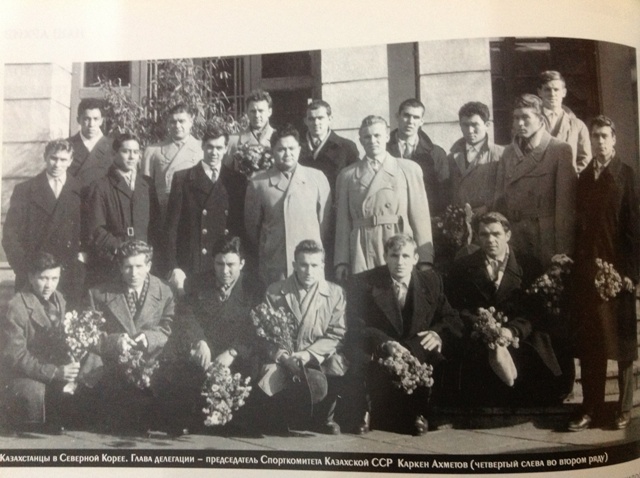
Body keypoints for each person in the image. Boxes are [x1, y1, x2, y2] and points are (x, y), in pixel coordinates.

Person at [446, 212, 568, 406]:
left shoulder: (528, 265)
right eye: (484, 235)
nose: (490, 240)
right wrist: (483, 326)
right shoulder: (463, 267)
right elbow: (456, 307)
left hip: (520, 334)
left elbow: (535, 310)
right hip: (481, 335)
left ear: (508, 235)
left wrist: (512, 330)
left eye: (496, 234)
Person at [347, 234, 462, 435]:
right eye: (394, 256)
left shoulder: (431, 281)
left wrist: (437, 333)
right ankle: (363, 413)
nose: (400, 262)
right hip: (381, 346)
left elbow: (452, 318)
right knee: (359, 357)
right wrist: (384, 343)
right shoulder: (365, 282)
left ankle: (422, 413)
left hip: (416, 347)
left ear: (416, 258)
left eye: (406, 256)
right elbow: (355, 326)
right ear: (385, 256)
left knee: (438, 359)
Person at [568, 116, 640, 431]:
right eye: (594, 136)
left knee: (622, 344)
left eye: (604, 136)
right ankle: (590, 408)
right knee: (591, 345)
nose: (599, 141)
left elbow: (635, 230)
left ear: (614, 140)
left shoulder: (626, 176)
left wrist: (630, 273)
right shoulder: (584, 178)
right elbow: (579, 228)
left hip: (618, 274)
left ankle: (624, 409)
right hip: (588, 275)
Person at [258, 240, 347, 434]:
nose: (309, 271)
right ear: (294, 265)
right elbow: (264, 334)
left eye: (315, 265)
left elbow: (337, 333)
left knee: (337, 365)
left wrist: (308, 354)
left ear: (322, 266)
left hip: (317, 357)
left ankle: (326, 418)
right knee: (269, 372)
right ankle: (284, 416)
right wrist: (282, 356)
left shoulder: (335, 293)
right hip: (285, 358)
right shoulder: (275, 291)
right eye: (304, 265)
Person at [84, 240, 174, 432]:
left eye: (139, 266)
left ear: (148, 265)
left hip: (151, 364)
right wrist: (115, 341)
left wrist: (150, 338)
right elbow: (89, 335)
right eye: (128, 267)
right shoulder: (99, 294)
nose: (134, 274)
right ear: (120, 267)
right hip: (114, 367)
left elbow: (169, 327)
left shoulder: (164, 291)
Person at [334, 115, 433, 281]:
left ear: (387, 136)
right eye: (367, 136)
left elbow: (420, 216)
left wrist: (425, 259)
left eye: (377, 135)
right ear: (360, 140)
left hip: (398, 241)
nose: (372, 140)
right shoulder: (347, 175)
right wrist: (341, 261)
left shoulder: (408, 169)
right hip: (362, 246)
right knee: (367, 295)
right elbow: (343, 222)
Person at [493, 94, 576, 270]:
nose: (520, 123)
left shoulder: (559, 150)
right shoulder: (508, 153)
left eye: (525, 117)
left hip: (544, 242)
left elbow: (565, 210)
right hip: (515, 239)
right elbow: (499, 201)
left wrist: (562, 252)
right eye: (516, 118)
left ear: (540, 120)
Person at [244, 125, 331, 288]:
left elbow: (324, 224)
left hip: (310, 262)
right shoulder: (258, 183)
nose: (287, 154)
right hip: (276, 262)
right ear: (272, 151)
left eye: (291, 148)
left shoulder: (317, 178)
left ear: (299, 149)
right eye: (281, 149)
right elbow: (252, 227)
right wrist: (269, 245)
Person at [0, 253, 78, 432]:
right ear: (30, 277)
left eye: (54, 278)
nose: (48, 285)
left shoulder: (59, 298)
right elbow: (16, 357)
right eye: (43, 278)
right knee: (35, 396)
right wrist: (55, 372)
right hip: (27, 374)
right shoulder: (16, 307)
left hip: (54, 369)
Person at [164, 127, 245, 296]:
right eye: (210, 147)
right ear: (202, 147)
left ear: (225, 149)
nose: (214, 152)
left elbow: (240, 227)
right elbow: (171, 228)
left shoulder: (236, 180)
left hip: (224, 263)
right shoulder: (183, 178)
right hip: (194, 262)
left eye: (219, 148)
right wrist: (173, 267)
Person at [3, 139, 85, 303]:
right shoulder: (25, 190)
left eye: (63, 160)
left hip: (68, 271)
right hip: (34, 272)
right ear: (45, 157)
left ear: (70, 162)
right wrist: (24, 268)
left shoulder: (82, 190)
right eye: (53, 158)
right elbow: (10, 235)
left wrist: (81, 261)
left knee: (68, 320)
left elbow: (87, 231)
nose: (57, 164)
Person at [84, 132, 161, 286]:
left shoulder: (147, 185)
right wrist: (121, 249)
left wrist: (146, 253)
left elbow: (155, 224)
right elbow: (96, 229)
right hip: (113, 262)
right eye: (126, 151)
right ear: (114, 154)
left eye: (135, 152)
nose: (132, 157)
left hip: (143, 264)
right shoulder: (100, 186)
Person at [299, 100, 359, 279]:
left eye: (321, 118)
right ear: (305, 121)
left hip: (336, 218)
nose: (316, 123)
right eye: (311, 119)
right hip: (306, 218)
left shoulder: (346, 148)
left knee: (335, 270)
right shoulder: (297, 149)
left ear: (330, 119)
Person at [387, 99, 449, 216]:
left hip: (424, 216)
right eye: (406, 115)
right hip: (391, 216)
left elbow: (443, 192)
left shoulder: (436, 154)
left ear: (422, 121)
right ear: (397, 116)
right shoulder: (382, 151)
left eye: (416, 117)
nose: (410, 121)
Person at [141, 104, 203, 220]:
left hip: (192, 212)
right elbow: (145, 191)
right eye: (173, 122)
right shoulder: (152, 151)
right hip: (164, 213)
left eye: (181, 121)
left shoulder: (202, 149)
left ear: (191, 122)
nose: (177, 126)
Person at [447, 102, 503, 215]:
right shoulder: (452, 157)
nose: (470, 130)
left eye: (475, 125)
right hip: (459, 221)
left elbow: (505, 189)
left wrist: (488, 207)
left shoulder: (500, 154)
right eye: (465, 125)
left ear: (487, 125)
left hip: (490, 221)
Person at [537, 71, 591, 173]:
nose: (552, 94)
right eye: (547, 89)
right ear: (539, 92)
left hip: (567, 184)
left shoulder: (578, 126)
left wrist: (569, 176)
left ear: (564, 92)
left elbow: (585, 160)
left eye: (556, 90)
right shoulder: (530, 123)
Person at [67, 98, 113, 189]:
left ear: (101, 121)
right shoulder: (68, 145)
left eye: (96, 119)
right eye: (86, 119)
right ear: (78, 120)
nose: (91, 124)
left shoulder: (112, 147)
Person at [225, 89, 276, 170]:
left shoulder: (279, 138)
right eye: (253, 111)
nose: (257, 115)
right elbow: (225, 172)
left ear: (269, 112)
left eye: (261, 111)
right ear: (247, 112)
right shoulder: (233, 140)